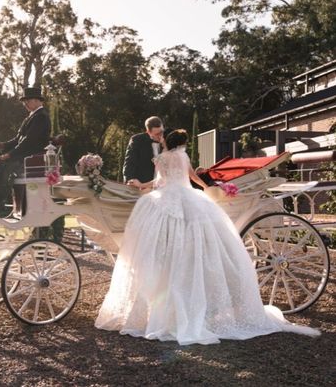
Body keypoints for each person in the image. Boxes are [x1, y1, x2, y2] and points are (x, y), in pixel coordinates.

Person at [95, 129, 319, 345]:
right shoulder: (183, 157)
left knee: (159, 240)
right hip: (188, 198)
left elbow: (157, 183)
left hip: (165, 198)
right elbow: (193, 177)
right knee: (199, 233)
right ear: (181, 144)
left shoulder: (161, 159)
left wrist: (140, 186)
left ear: (167, 143)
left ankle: (164, 299)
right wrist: (210, 188)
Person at [0, 87, 51, 214]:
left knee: (6, 165)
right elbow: (18, 139)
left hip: (31, 157)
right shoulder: (31, 117)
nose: (25, 104)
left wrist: (9, 155)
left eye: (27, 101)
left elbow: (28, 141)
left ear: (36, 100)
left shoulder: (41, 117)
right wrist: (3, 145)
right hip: (24, 155)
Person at [122, 116, 164, 184]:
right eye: (157, 134)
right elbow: (130, 163)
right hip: (141, 184)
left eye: (161, 132)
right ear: (148, 132)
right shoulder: (137, 140)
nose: (160, 136)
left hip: (163, 186)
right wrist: (129, 180)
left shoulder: (168, 140)